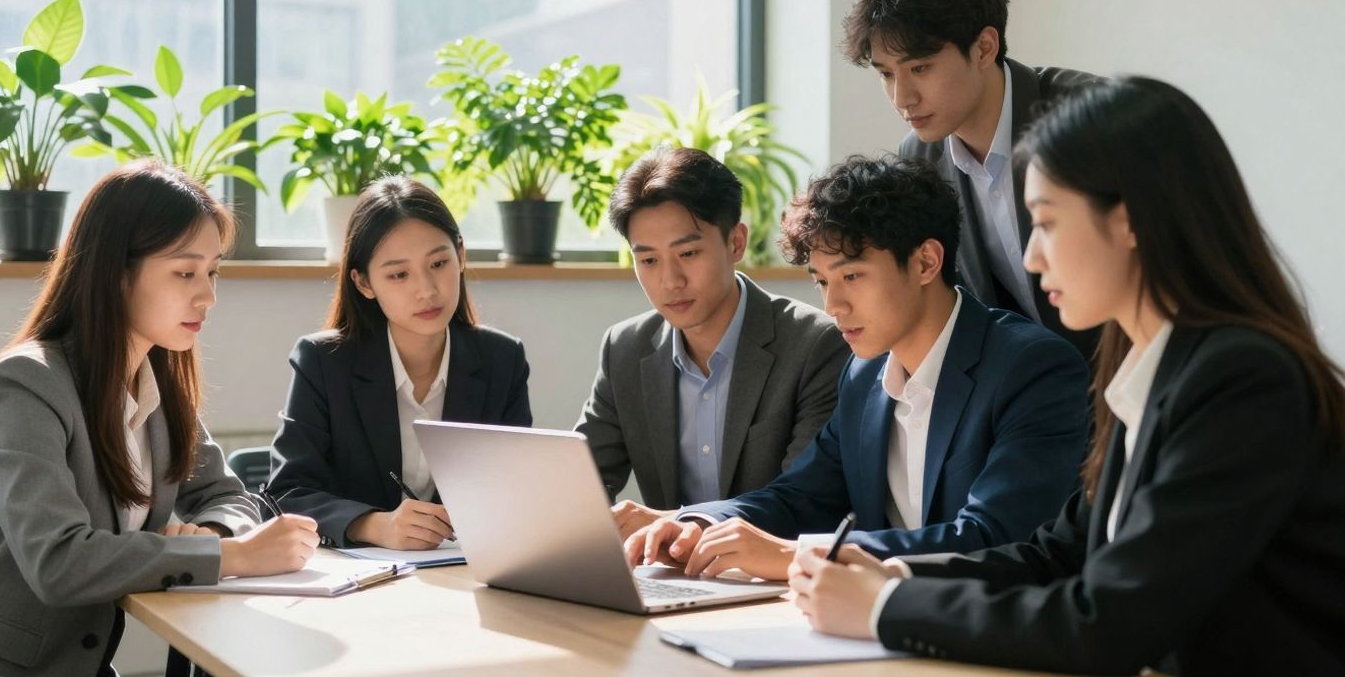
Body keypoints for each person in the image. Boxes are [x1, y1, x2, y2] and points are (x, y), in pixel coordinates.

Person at [789, 78, 1345, 676]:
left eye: (1047, 223)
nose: (1030, 258)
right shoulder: (1145, 365)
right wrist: (897, 573)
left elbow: (1109, 622)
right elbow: (1060, 553)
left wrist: (886, 608)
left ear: (1129, 222)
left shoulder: (1241, 379)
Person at [625, 155, 1089, 579]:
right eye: (822, 282)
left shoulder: (1032, 369)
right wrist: (699, 523)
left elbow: (997, 538)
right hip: (875, 624)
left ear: (926, 261)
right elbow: (803, 495)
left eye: (851, 276)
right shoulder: (864, 374)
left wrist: (797, 556)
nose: (834, 305)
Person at [0, 161, 319, 677]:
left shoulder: (155, 381)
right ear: (115, 274)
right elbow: (58, 562)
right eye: (185, 272)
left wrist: (211, 533)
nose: (208, 296)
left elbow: (225, 496)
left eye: (212, 272)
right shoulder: (26, 383)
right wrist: (236, 557)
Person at [574, 147, 848, 539]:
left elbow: (803, 501)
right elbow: (583, 478)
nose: (670, 281)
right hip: (667, 576)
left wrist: (674, 522)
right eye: (648, 261)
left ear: (736, 243)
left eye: (688, 253)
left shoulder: (814, 344)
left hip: (770, 581)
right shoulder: (625, 348)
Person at [844, 0, 1100, 354]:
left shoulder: (1089, 115)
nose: (902, 97)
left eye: (920, 68)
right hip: (1027, 392)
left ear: (984, 48)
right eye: (886, 74)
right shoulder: (919, 158)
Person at [269, 175, 532, 550]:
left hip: (464, 572)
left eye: (439, 263)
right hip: (357, 584)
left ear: (461, 255)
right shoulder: (323, 362)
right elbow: (285, 493)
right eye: (399, 274)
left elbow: (517, 488)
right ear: (363, 283)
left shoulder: (502, 359)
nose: (426, 289)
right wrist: (374, 525)